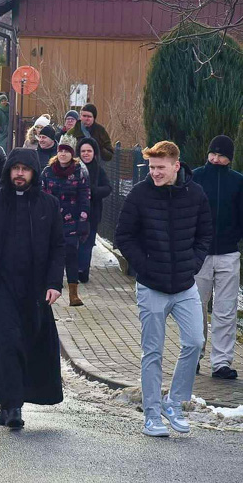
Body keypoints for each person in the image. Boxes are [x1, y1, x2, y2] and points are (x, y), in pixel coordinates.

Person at [0, 148, 65, 430]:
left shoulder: (48, 205)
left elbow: (58, 247)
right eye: (15, 168)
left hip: (34, 290)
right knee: (6, 344)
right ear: (8, 171)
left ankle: (11, 399)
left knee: (27, 344)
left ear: (33, 172)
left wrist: (55, 283)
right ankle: (12, 406)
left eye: (25, 169)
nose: (19, 173)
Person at [115, 140, 211, 437]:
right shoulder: (140, 195)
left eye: (160, 168)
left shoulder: (195, 193)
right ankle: (152, 415)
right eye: (152, 167)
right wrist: (144, 266)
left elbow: (205, 234)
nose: (155, 173)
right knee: (152, 352)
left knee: (195, 342)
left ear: (175, 166)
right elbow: (123, 236)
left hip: (184, 285)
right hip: (151, 286)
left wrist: (192, 264)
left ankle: (175, 402)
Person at [192, 135, 242, 380]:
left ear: (229, 158)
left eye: (222, 155)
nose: (217, 158)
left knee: (226, 310)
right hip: (200, 254)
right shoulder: (196, 177)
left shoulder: (238, 182)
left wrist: (235, 237)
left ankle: (221, 362)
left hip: (228, 253)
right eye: (214, 154)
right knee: (195, 307)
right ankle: (193, 356)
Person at [40, 135, 90, 307]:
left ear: (71, 154)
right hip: (51, 220)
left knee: (71, 255)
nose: (63, 154)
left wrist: (83, 220)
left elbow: (85, 197)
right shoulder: (48, 172)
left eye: (66, 152)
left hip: (72, 220)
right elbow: (42, 196)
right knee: (51, 255)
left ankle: (73, 294)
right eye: (60, 151)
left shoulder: (79, 172)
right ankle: (50, 290)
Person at [76, 138, 111, 283]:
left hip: (92, 213)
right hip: (73, 213)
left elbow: (108, 188)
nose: (86, 154)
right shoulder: (74, 167)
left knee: (87, 243)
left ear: (94, 153)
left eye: (89, 151)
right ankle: (72, 270)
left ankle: (83, 271)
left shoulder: (99, 170)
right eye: (83, 151)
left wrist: (93, 191)